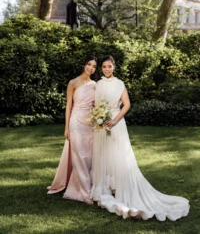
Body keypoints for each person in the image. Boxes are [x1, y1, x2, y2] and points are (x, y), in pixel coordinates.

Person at [91, 55, 190, 221]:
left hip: (116, 122)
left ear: (114, 67)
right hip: (102, 124)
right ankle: (106, 188)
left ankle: (120, 187)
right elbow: (96, 104)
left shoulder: (119, 83)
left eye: (109, 66)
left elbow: (127, 104)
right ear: (101, 68)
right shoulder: (99, 84)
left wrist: (114, 120)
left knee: (118, 155)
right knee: (104, 154)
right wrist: (99, 117)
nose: (106, 69)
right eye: (104, 67)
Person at [47, 56, 97, 204]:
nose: (91, 68)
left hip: (90, 122)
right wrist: (66, 127)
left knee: (88, 156)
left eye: (94, 66)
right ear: (84, 65)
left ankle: (90, 185)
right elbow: (68, 106)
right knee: (79, 155)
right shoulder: (73, 83)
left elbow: (97, 104)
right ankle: (84, 192)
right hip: (76, 121)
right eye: (89, 64)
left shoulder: (95, 84)